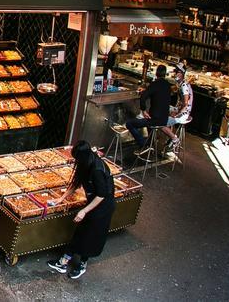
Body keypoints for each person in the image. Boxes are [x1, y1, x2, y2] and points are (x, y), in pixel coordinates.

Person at [47, 141, 116, 280]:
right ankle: (63, 262)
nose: (75, 161)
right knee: (81, 233)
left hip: (103, 206)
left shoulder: (97, 169)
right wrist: (61, 199)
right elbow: (76, 182)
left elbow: (102, 194)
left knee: (90, 236)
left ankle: (80, 265)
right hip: (93, 202)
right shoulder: (86, 163)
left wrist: (84, 211)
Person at [127, 65, 173, 156]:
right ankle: (150, 145)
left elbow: (143, 96)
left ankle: (143, 144)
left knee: (129, 124)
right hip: (164, 119)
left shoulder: (155, 84)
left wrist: (143, 110)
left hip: (154, 119)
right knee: (149, 125)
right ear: (165, 74)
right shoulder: (168, 85)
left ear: (156, 73)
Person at [159, 67, 193, 155]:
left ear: (182, 74)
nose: (176, 74)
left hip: (183, 114)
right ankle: (168, 137)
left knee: (160, 123)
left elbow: (185, 104)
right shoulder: (181, 84)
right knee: (163, 108)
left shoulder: (184, 86)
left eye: (178, 72)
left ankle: (174, 139)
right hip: (179, 110)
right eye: (176, 72)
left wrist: (177, 114)